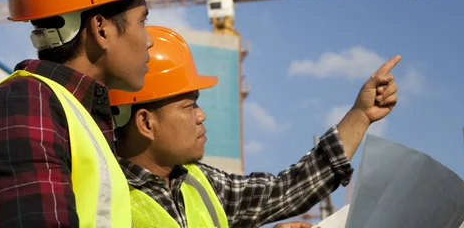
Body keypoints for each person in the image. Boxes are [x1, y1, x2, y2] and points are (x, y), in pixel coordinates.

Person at [0, 0, 165, 227]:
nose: (149, 39)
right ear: (101, 29)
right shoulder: (25, 104)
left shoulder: (72, 114)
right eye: (142, 21)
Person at [110, 26, 400, 228]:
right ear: (146, 123)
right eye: (189, 107)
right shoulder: (106, 196)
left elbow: (285, 191)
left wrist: (361, 115)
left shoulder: (200, 183)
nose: (202, 116)